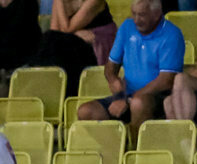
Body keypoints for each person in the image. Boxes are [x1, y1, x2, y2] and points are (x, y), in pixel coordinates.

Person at [77, 0, 184, 143]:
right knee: (86, 111)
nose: (136, 20)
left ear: (157, 14)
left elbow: (166, 80)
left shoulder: (172, 34)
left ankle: (137, 153)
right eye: (134, 14)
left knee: (138, 103)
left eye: (142, 15)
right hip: (125, 95)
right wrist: (113, 81)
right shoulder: (127, 27)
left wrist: (128, 100)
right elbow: (110, 67)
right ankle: (117, 154)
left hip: (158, 97)